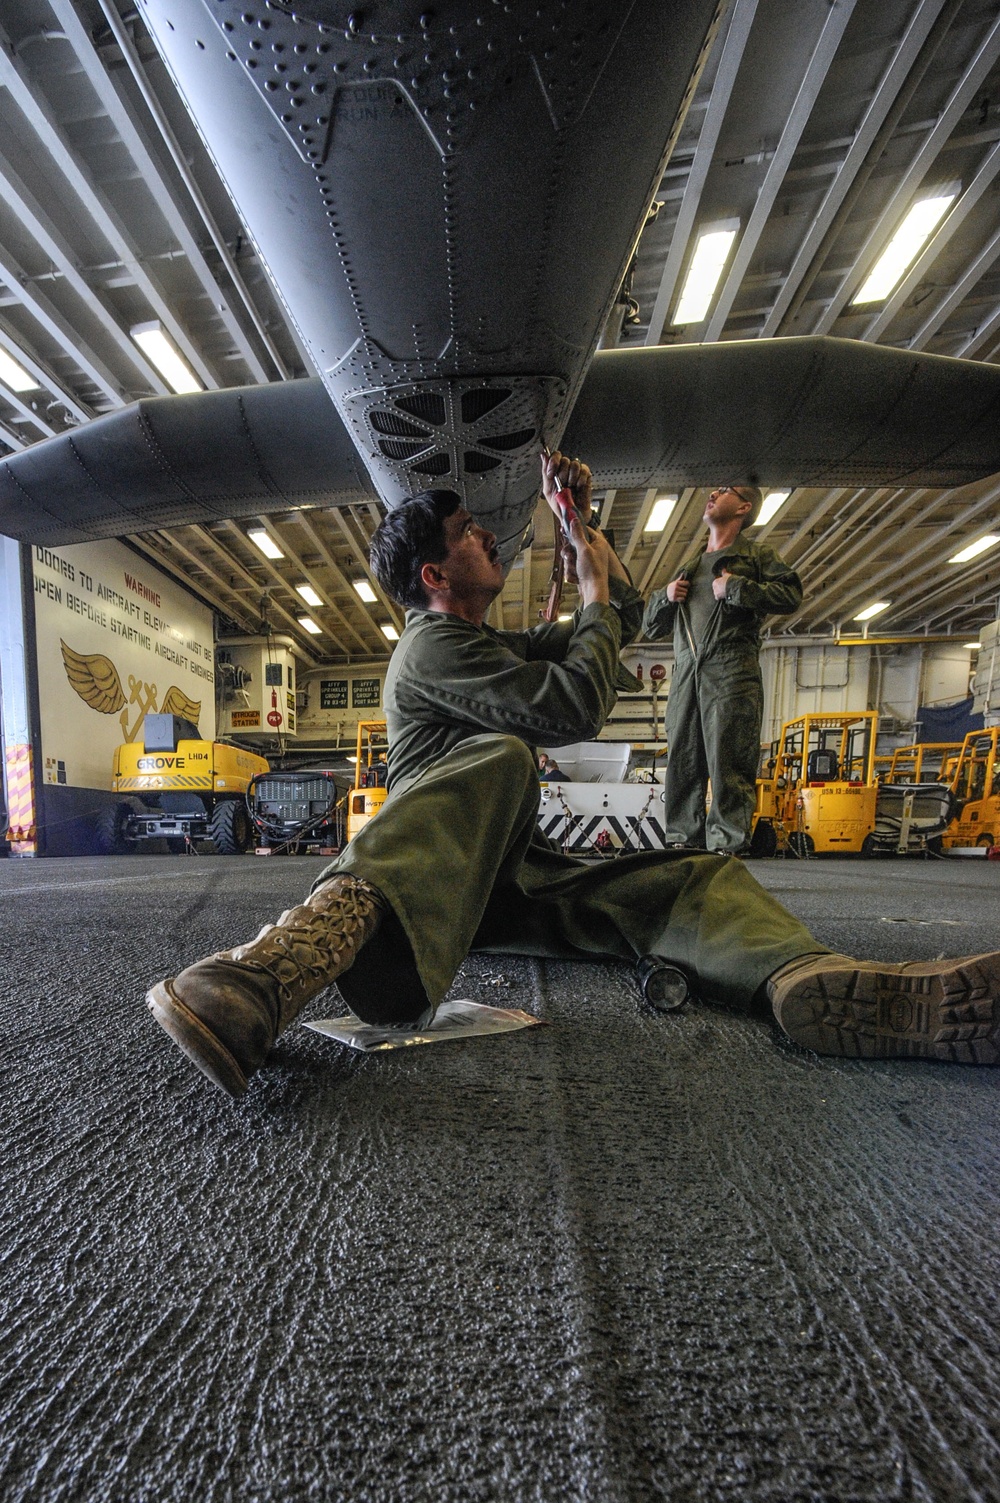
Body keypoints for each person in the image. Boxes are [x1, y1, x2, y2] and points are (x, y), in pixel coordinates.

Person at [146, 454, 1000, 1098]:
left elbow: (609, 623)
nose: (487, 534)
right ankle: (276, 964)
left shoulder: (476, 643)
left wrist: (577, 525)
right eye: (469, 533)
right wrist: (589, 598)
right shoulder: (431, 646)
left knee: (687, 875)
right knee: (506, 753)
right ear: (437, 577)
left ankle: (803, 977)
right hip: (422, 891)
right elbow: (573, 706)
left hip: (498, 880)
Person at [643, 484, 801, 855]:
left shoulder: (755, 556)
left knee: (729, 757)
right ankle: (683, 839)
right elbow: (651, 627)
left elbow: (791, 594)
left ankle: (727, 844)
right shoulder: (690, 566)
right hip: (686, 672)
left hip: (731, 668)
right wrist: (664, 599)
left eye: (725, 491)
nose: (713, 494)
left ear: (744, 507)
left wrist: (736, 587)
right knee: (682, 758)